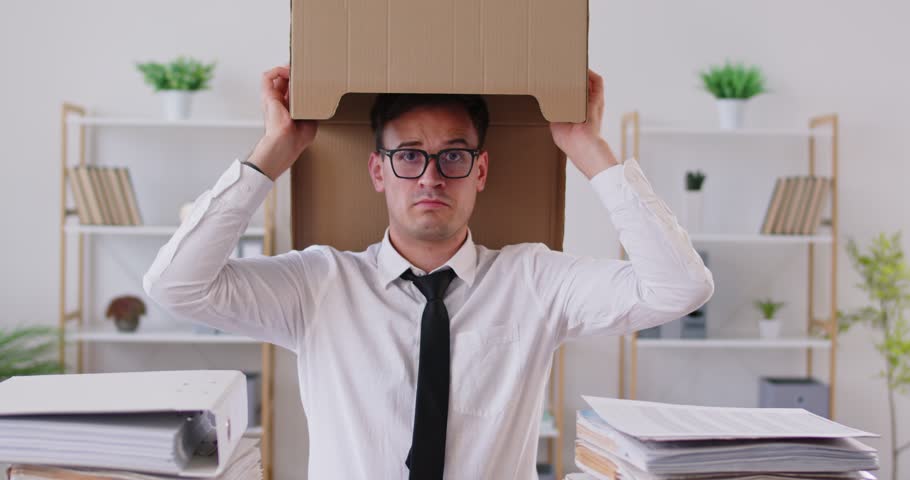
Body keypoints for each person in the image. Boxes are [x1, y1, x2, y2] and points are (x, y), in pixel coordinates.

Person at [143, 64, 714, 479]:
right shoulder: (318, 284)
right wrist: (275, 148)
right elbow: (176, 287)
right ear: (378, 171)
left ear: (481, 170)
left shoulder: (535, 281)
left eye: (454, 156)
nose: (431, 177)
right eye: (409, 155)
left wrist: (589, 149)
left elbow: (679, 288)